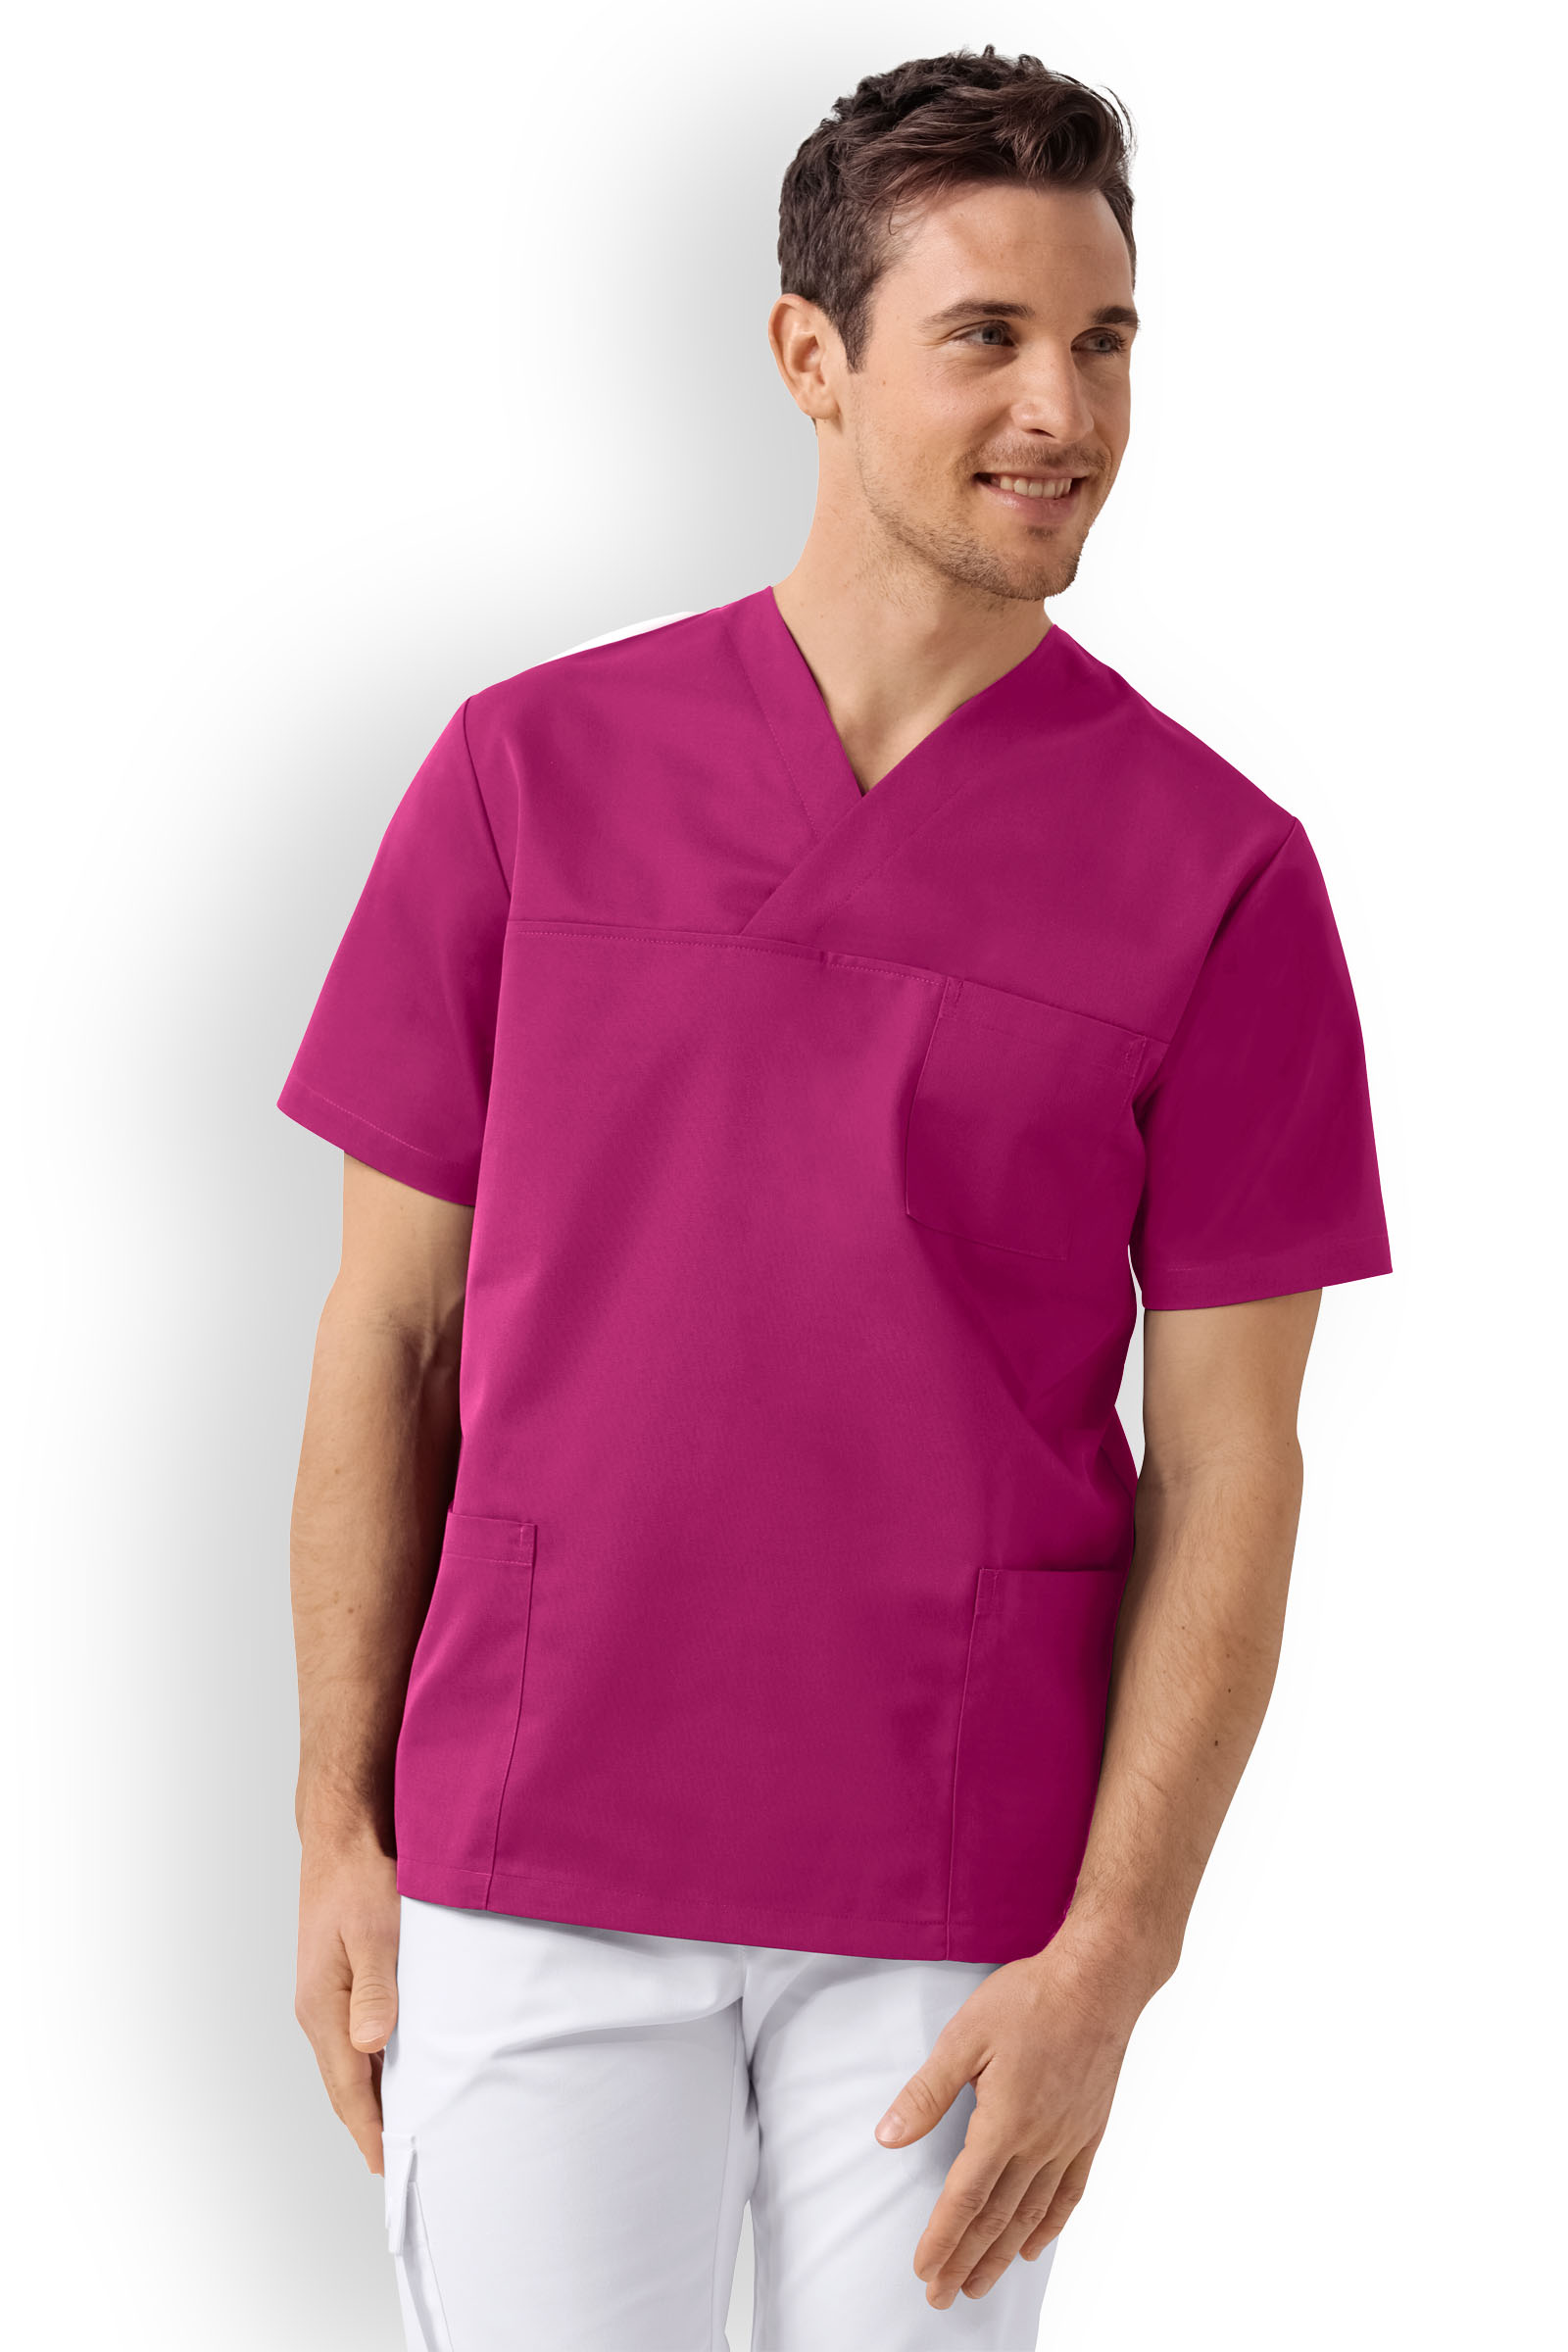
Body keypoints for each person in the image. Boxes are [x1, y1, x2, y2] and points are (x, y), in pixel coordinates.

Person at [278, 44, 1392, 2352]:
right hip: (530, 1855)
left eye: (1100, 340)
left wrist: (1111, 1957)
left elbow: (1233, 1462)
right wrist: (334, 1833)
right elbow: (387, 1333)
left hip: (954, 1903)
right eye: (985, 335)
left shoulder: (1220, 876)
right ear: (810, 356)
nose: (1059, 409)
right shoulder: (526, 777)